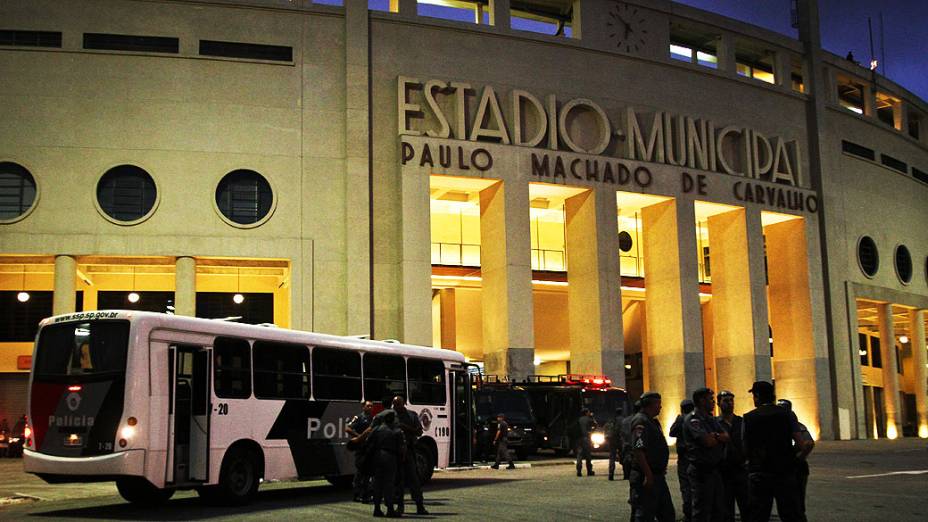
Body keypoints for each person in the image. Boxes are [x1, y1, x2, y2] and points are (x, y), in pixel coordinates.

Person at [743, 381, 803, 522]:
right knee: (791, 514)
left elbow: (745, 448)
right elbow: (801, 443)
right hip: (784, 472)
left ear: (757, 396)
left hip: (760, 472)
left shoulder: (749, 417)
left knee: (758, 514)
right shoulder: (787, 414)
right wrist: (789, 456)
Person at [682, 387, 728, 522]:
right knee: (702, 510)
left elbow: (726, 436)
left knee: (718, 509)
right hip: (701, 470)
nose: (713, 402)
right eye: (710, 399)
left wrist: (715, 436)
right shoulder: (693, 420)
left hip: (714, 469)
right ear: (702, 401)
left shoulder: (710, 418)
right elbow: (707, 442)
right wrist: (715, 437)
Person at [628, 391, 675, 522]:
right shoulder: (640, 421)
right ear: (650, 404)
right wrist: (648, 475)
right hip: (646, 476)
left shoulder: (652, 421)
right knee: (644, 514)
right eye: (658, 404)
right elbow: (639, 450)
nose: (660, 407)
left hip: (657, 476)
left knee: (667, 513)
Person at [777, 399, 814, 520]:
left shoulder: (797, 426)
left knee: (796, 504)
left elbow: (809, 443)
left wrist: (797, 459)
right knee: (788, 503)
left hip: (796, 469)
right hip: (787, 468)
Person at [391, 395, 428, 516]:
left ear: (403, 404)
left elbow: (419, 431)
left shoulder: (412, 415)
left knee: (414, 480)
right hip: (396, 452)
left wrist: (405, 427)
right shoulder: (390, 416)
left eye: (398, 404)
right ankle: (400, 506)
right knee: (398, 481)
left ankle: (419, 506)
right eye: (394, 404)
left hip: (409, 451)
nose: (396, 406)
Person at [717, 390, 749, 522]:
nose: (729, 403)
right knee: (726, 510)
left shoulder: (742, 422)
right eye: (725, 401)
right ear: (718, 403)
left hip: (741, 470)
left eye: (731, 400)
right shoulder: (715, 423)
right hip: (723, 472)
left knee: (747, 507)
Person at [368, 410, 404, 518]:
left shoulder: (376, 429)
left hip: (377, 457)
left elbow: (369, 442)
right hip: (391, 458)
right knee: (389, 484)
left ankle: (377, 508)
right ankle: (390, 509)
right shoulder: (397, 431)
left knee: (377, 484)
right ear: (393, 420)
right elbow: (401, 449)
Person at [669, 399, 695, 522]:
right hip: (694, 456)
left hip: (684, 457)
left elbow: (671, 432)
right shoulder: (696, 419)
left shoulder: (681, 419)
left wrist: (678, 419)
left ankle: (688, 512)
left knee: (685, 486)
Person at [347, 401, 375, 502]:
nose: (370, 407)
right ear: (363, 407)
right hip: (361, 448)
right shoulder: (359, 417)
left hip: (369, 448)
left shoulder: (373, 419)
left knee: (368, 472)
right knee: (360, 472)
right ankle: (357, 494)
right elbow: (348, 428)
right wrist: (359, 437)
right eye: (368, 406)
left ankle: (365, 494)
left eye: (371, 406)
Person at [620, 401, 642, 481]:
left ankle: (627, 475)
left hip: (627, 444)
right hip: (637, 446)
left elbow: (622, 433)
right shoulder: (642, 420)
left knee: (627, 461)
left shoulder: (625, 420)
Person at [576, 407, 596, 477]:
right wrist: (592, 417)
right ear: (586, 412)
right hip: (586, 439)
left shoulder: (579, 419)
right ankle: (589, 470)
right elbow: (595, 425)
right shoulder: (589, 419)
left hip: (579, 439)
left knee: (579, 455)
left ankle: (579, 470)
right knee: (588, 455)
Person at [607, 406, 624, 481]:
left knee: (612, 457)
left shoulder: (612, 420)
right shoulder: (623, 420)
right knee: (623, 456)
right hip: (620, 440)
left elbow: (607, 429)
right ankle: (626, 472)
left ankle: (611, 473)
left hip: (612, 440)